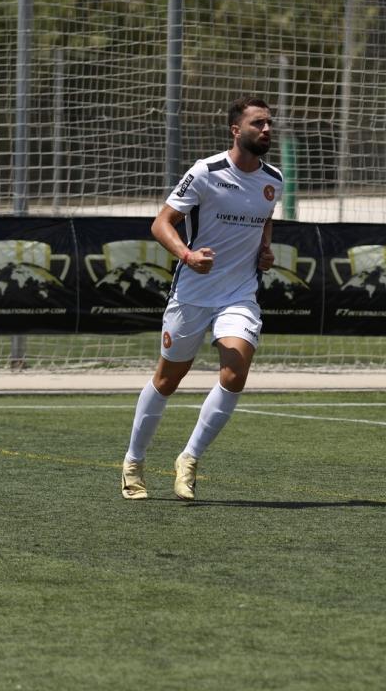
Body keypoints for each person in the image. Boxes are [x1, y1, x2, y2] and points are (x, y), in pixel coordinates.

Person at [120, 96, 282, 501]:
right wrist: (188, 255)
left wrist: (265, 251)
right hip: (192, 293)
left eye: (269, 123)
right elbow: (161, 223)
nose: (266, 129)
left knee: (236, 371)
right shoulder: (205, 172)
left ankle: (189, 459)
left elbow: (264, 222)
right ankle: (134, 462)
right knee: (167, 380)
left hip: (239, 294)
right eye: (258, 123)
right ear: (236, 130)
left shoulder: (273, 179)